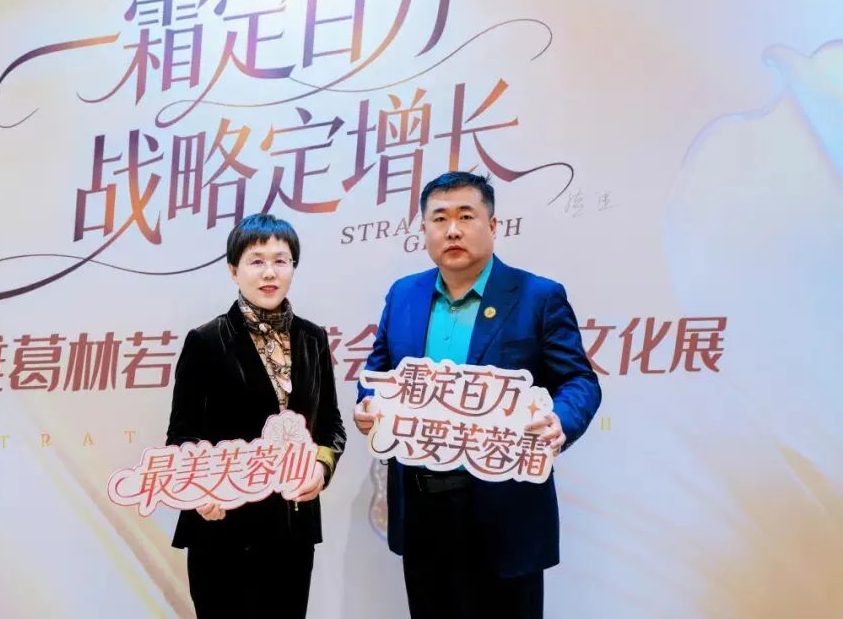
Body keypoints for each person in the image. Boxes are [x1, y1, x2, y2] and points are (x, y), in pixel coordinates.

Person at [353, 171, 602, 619]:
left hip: (506, 506)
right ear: (424, 229)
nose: (452, 230)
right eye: (439, 219)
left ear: (493, 225)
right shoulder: (404, 294)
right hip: (422, 504)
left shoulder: (537, 296)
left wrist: (561, 420)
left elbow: (580, 381)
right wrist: (369, 403)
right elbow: (377, 372)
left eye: (466, 216)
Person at [166, 213, 347, 619]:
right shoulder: (207, 340)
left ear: (293, 267)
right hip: (223, 525)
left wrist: (321, 466)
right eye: (256, 261)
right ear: (234, 270)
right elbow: (181, 434)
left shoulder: (313, 338)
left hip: (292, 526)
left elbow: (331, 424)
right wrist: (200, 488)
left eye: (281, 260)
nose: (270, 272)